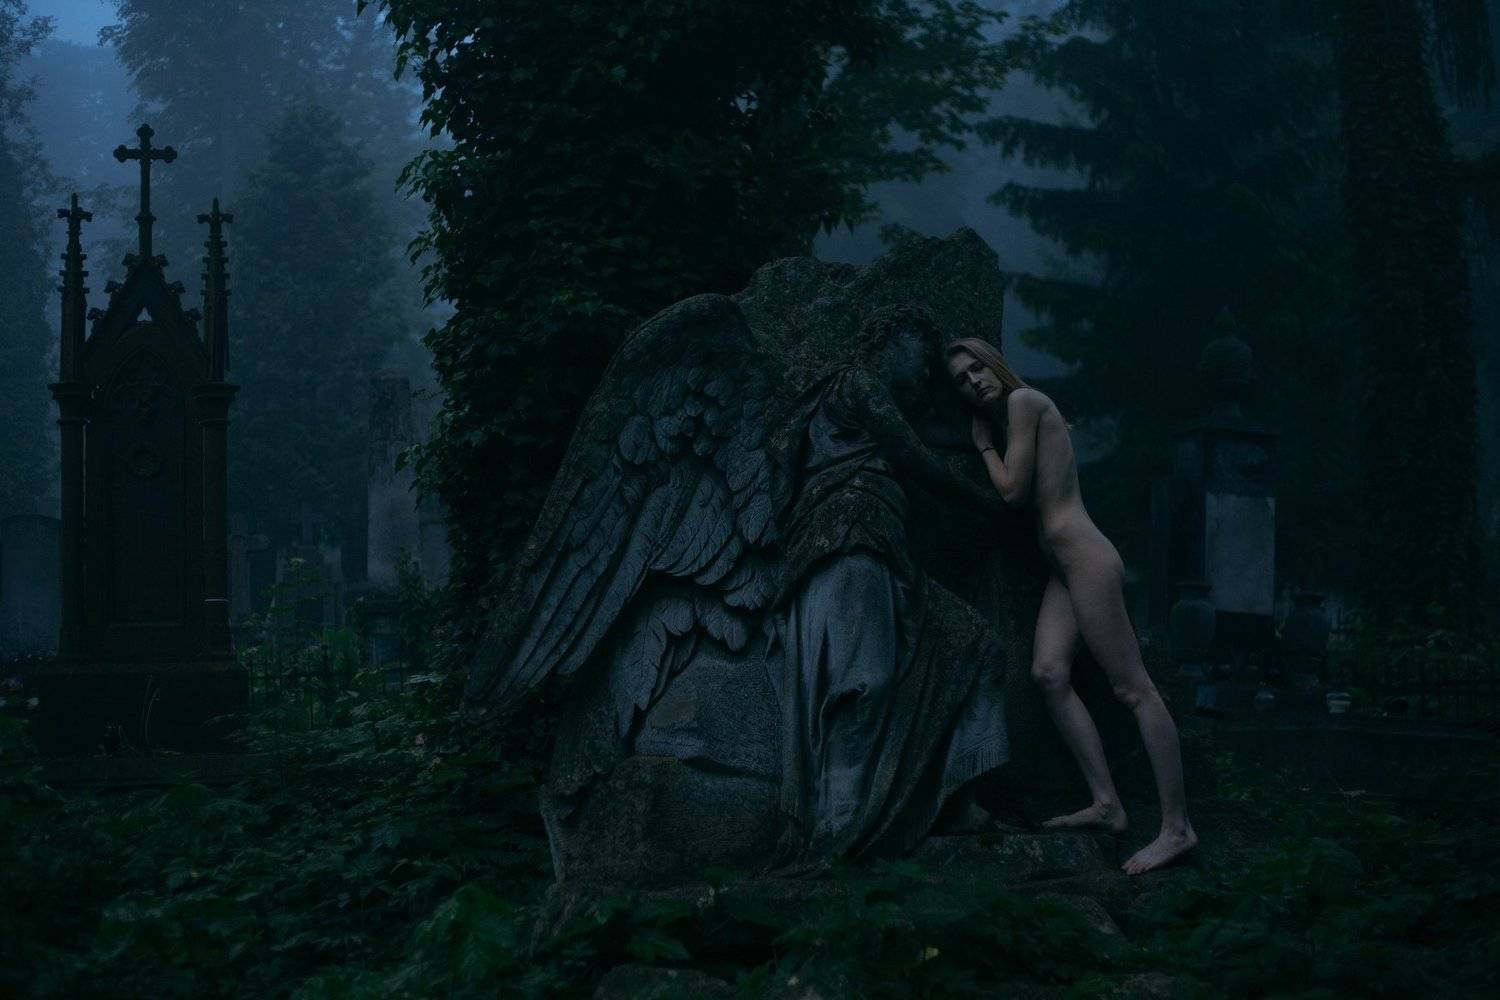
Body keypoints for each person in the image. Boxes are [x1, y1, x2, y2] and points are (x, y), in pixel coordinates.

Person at [944, 336, 1197, 875]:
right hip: (1062, 566)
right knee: (1049, 674)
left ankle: (1177, 827)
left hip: (1085, 558)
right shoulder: (1016, 417)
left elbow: (1012, 492)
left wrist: (982, 446)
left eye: (977, 368)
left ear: (995, 363)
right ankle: (1106, 804)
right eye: (961, 380)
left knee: (1133, 688)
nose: (974, 382)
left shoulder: (1023, 401)